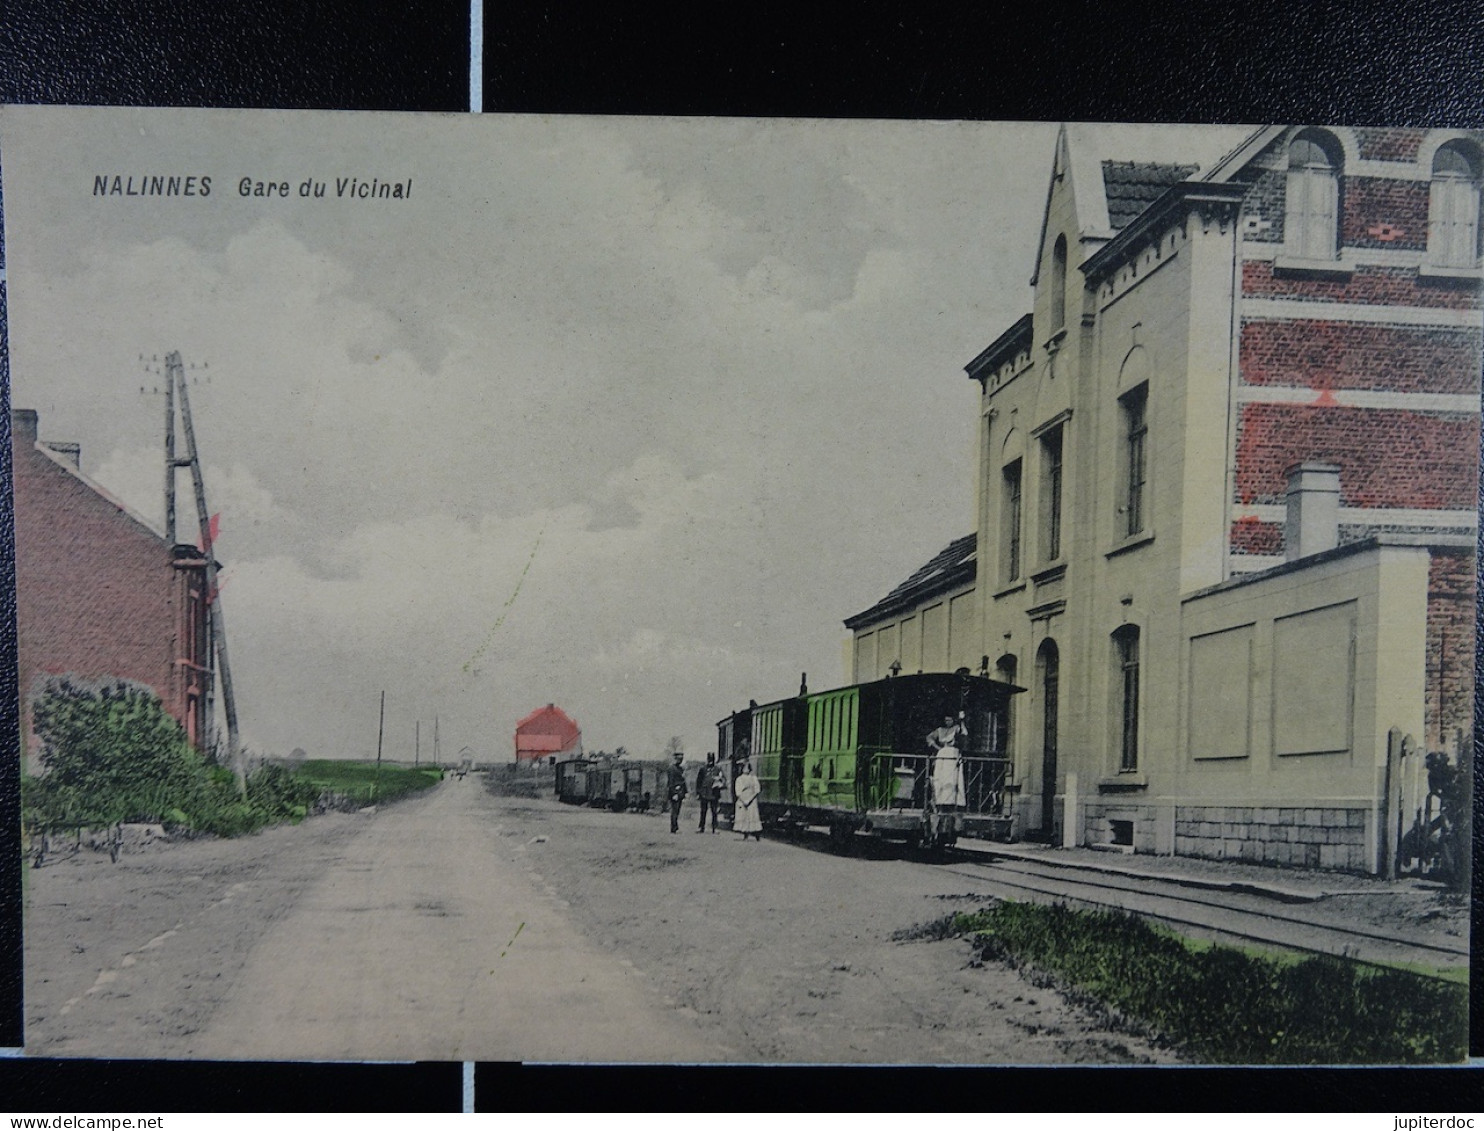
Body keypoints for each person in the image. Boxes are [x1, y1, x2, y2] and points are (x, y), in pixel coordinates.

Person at [927, 713, 968, 808]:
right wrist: (937, 747)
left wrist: (962, 720)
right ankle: (941, 800)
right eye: (946, 720)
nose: (948, 722)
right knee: (941, 777)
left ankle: (954, 801)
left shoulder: (956, 728)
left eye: (950, 720)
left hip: (953, 753)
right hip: (943, 753)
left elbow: (964, 733)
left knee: (953, 777)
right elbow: (929, 737)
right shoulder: (940, 730)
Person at [732, 759, 763, 841]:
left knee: (753, 817)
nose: (746, 769)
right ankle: (746, 834)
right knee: (745, 817)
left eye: (747, 768)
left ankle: (757, 834)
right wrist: (744, 800)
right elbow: (738, 792)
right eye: (744, 768)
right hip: (743, 800)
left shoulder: (753, 778)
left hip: (751, 800)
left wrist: (750, 799)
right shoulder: (739, 779)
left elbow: (757, 790)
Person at [696, 752, 722, 833]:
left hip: (714, 793)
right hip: (704, 793)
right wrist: (698, 793)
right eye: (709, 760)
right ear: (707, 760)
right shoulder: (703, 769)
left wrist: (719, 783)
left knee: (714, 811)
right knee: (703, 811)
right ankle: (701, 827)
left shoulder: (718, 769)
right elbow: (698, 781)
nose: (710, 762)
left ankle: (715, 827)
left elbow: (722, 779)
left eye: (712, 760)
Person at [666, 750, 688, 833]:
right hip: (675, 793)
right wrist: (674, 793)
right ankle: (674, 828)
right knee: (675, 811)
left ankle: (675, 827)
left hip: (680, 792)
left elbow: (683, 781)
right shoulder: (671, 769)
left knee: (677, 811)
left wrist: (685, 792)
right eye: (679, 759)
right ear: (675, 758)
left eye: (681, 759)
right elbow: (670, 782)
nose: (680, 760)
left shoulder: (680, 768)